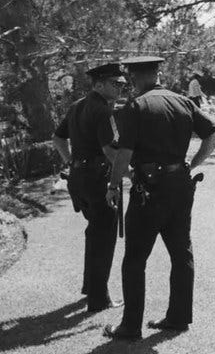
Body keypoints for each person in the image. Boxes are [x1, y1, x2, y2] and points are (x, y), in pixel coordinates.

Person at [102, 56, 215, 341]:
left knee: (134, 258)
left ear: (134, 77)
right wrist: (192, 164)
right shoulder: (183, 101)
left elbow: (125, 153)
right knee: (181, 253)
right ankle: (178, 318)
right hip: (180, 184)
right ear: (157, 73)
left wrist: (112, 184)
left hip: (150, 190)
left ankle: (130, 327)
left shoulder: (136, 106)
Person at [52, 62, 127, 313]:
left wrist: (69, 161)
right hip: (97, 180)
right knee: (103, 238)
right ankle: (99, 298)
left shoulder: (77, 106)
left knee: (94, 233)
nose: (120, 88)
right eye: (114, 84)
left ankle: (91, 288)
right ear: (98, 84)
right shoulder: (102, 110)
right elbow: (109, 151)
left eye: (122, 84)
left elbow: (58, 138)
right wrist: (131, 174)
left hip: (79, 178)